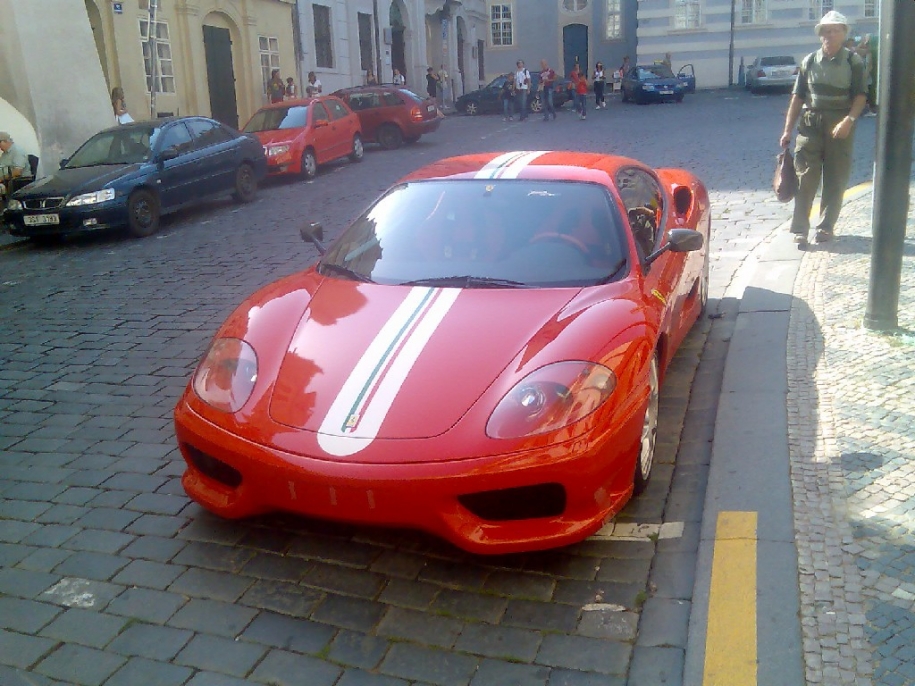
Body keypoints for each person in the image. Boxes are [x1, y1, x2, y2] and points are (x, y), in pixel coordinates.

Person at [779, 10, 867, 248]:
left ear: (843, 33)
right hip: (810, 123)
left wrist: (849, 120)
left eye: (835, 30)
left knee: (835, 178)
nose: (830, 35)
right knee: (804, 177)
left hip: (840, 122)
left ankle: (826, 227)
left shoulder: (852, 61)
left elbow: (860, 96)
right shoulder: (809, 60)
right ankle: (800, 229)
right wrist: (787, 130)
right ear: (820, 35)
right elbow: (797, 97)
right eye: (826, 31)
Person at [0, 131, 33, 206]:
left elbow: (17, 172)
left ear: (5, 141)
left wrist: (1, 179)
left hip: (17, 182)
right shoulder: (5, 154)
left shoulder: (17, 151)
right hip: (5, 181)